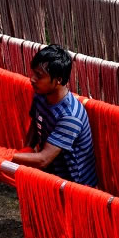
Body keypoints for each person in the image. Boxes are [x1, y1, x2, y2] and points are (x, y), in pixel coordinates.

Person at [13, 45, 98, 186]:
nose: (32, 79)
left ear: (58, 80)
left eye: (39, 75)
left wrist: (4, 156)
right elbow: (36, 123)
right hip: (52, 174)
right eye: (33, 73)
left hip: (76, 185)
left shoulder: (70, 116)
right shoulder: (41, 95)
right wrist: (27, 148)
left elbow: (43, 159)